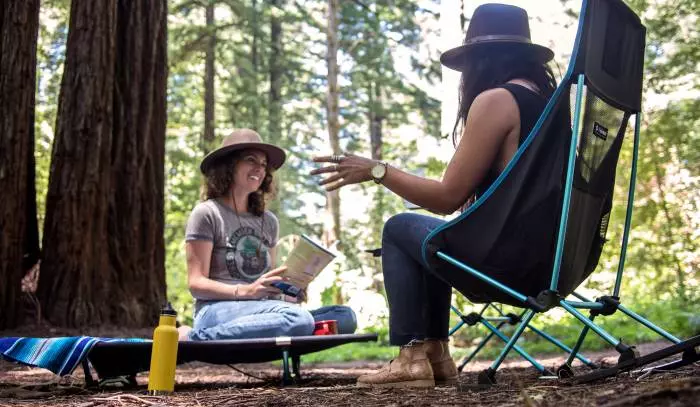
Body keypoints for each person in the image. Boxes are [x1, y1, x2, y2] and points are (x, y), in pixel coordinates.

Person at [311, 4, 557, 387]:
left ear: (481, 59)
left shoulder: (497, 100)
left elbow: (446, 196)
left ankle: (412, 356)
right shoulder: (550, 107)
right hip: (552, 260)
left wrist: (377, 170)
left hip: (509, 264)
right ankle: (436, 356)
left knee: (398, 228)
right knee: (434, 234)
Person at [179, 128, 357, 341]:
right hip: (216, 309)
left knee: (344, 316)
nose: (259, 169)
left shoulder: (268, 221)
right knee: (299, 320)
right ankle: (195, 338)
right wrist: (246, 292)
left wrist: (288, 290)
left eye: (263, 164)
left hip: (262, 309)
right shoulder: (207, 213)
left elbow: (268, 279)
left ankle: (286, 326)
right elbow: (196, 284)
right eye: (251, 160)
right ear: (228, 165)